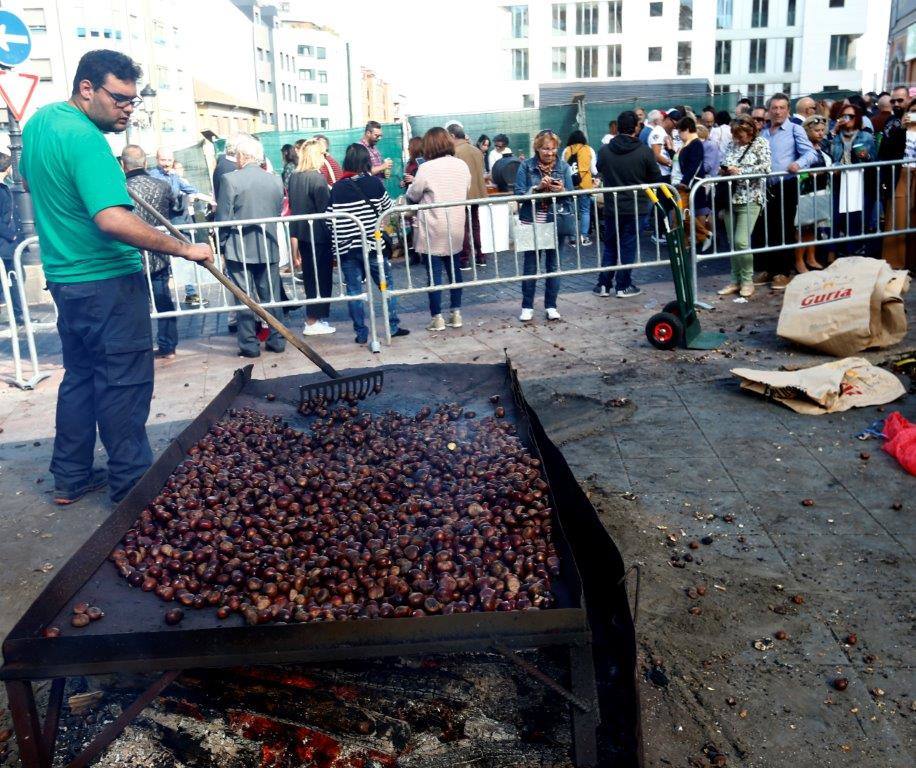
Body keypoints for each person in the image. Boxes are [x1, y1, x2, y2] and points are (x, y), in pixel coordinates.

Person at [21, 49, 212, 505]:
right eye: (120, 98)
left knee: (81, 379)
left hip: (67, 283)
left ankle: (69, 479)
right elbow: (111, 219)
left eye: (134, 100)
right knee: (123, 383)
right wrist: (186, 248)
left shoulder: (41, 123)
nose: (129, 108)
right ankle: (133, 490)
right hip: (107, 283)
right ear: (87, 88)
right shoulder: (86, 140)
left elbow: (32, 183)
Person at [327, 143, 409, 343]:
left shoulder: (337, 188)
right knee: (385, 285)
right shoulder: (374, 183)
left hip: (347, 248)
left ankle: (361, 333)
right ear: (366, 161)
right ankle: (392, 326)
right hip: (374, 247)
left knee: (354, 291)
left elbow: (330, 219)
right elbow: (387, 211)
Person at [215, 134, 286, 358]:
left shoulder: (230, 180)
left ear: (243, 156)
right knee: (271, 296)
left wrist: (221, 246)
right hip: (268, 244)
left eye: (236, 156)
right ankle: (277, 338)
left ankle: (249, 345)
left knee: (243, 298)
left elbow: (223, 218)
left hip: (239, 247)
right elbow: (276, 210)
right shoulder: (275, 180)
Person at [405, 127, 471, 332]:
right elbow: (466, 188)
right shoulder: (461, 165)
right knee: (454, 271)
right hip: (456, 225)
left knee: (434, 275)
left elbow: (413, 194)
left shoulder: (426, 168)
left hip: (432, 227)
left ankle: (437, 317)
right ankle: (456, 313)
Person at [752, 93, 818, 288]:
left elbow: (811, 153)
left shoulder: (795, 129)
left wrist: (798, 164)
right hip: (764, 187)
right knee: (764, 228)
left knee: (784, 228)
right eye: (774, 108)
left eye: (782, 107)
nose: (778, 111)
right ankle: (766, 270)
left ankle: (782, 272)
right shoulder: (763, 133)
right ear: (769, 110)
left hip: (786, 184)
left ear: (788, 110)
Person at [594, 111, 661, 299]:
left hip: (612, 206)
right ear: (637, 127)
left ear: (617, 127)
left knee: (610, 245)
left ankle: (604, 284)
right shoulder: (644, 151)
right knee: (628, 245)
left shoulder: (605, 150)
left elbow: (599, 168)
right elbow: (655, 177)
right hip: (636, 206)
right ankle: (623, 285)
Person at [121, 144, 179, 360]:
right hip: (159, 252)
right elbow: (174, 208)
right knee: (164, 300)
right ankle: (168, 345)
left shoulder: (121, 187)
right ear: (145, 162)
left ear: (123, 165)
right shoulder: (162, 185)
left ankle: (141, 348)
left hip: (132, 254)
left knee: (136, 304)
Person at [515, 129, 573, 321]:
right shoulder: (526, 166)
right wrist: (537, 188)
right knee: (530, 265)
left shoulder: (563, 167)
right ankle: (527, 306)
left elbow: (571, 196)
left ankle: (551, 305)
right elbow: (519, 193)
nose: (549, 153)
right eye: (545, 148)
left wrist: (562, 189)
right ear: (537, 148)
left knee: (553, 265)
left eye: (553, 148)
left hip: (554, 219)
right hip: (531, 219)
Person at [717, 115, 771, 298]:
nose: (738, 139)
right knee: (733, 243)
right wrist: (724, 170)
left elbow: (765, 168)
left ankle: (747, 281)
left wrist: (740, 172)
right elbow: (723, 163)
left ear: (750, 132)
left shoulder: (761, 143)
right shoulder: (732, 144)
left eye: (741, 136)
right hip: (730, 198)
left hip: (751, 197)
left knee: (741, 241)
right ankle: (735, 280)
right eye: (736, 135)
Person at [288, 139, 335, 336]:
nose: (325, 158)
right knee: (321, 278)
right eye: (323, 154)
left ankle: (314, 318)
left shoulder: (294, 177)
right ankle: (313, 320)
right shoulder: (317, 179)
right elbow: (325, 209)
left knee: (311, 278)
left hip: (303, 235)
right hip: (319, 234)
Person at [149, 146, 206, 308]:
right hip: (159, 227)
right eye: (163, 160)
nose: (166, 163)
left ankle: (190, 293)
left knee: (185, 260)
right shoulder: (153, 176)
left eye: (169, 160)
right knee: (160, 264)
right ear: (157, 160)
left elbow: (192, 190)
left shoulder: (175, 177)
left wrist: (213, 201)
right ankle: (156, 298)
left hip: (176, 226)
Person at [827, 103, 876, 257]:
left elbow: (874, 159)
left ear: (858, 119)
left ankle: (853, 250)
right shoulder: (835, 137)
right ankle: (835, 252)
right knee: (836, 216)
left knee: (855, 216)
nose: (847, 119)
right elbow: (827, 155)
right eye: (844, 116)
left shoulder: (866, 136)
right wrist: (833, 132)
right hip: (838, 181)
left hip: (859, 182)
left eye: (851, 116)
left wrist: (865, 156)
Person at [446, 122, 487, 269]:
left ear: (452, 135)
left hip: (461, 194)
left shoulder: (455, 152)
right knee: (475, 225)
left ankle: (464, 258)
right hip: (477, 194)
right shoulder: (476, 151)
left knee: (463, 227)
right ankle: (480, 255)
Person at [793, 116, 831, 274]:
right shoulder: (801, 148)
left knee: (813, 226)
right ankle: (799, 261)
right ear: (807, 131)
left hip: (820, 190)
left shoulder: (823, 146)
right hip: (804, 192)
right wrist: (807, 174)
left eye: (822, 130)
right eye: (817, 130)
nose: (820, 133)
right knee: (802, 228)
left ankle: (811, 257)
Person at [882, 102, 916, 269]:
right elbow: (885, 152)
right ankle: (895, 263)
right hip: (901, 174)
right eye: (913, 111)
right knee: (898, 217)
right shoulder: (898, 131)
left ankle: (913, 262)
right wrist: (902, 128)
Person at [675, 116, 710, 250]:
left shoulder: (696, 144)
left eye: (680, 131)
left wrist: (685, 182)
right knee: (683, 214)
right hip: (687, 184)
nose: (679, 134)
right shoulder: (689, 143)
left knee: (682, 214)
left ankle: (703, 236)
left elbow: (694, 165)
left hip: (690, 184)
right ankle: (687, 242)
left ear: (687, 130)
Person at [0, 144, 23, 325]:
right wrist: (12, 235)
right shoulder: (1, 190)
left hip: (6, 243)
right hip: (4, 243)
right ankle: (16, 315)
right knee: (14, 277)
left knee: (12, 277)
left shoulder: (3, 187)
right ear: (7, 168)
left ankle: (16, 314)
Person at [562, 130, 596, 246]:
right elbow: (594, 169)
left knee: (572, 212)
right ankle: (584, 237)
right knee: (585, 211)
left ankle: (572, 239)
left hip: (569, 185)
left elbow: (563, 167)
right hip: (584, 185)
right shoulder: (588, 149)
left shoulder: (566, 150)